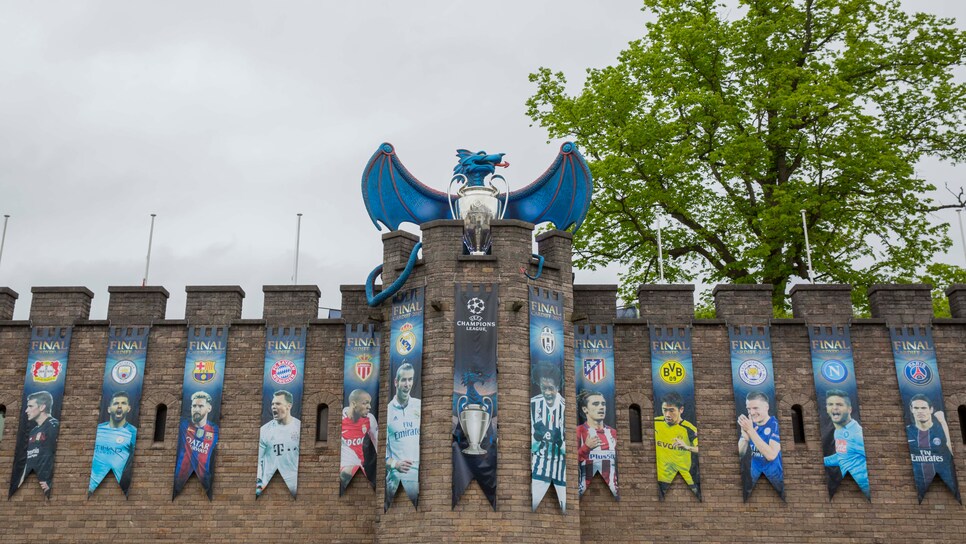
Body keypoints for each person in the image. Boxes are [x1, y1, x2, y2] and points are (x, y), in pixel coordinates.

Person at [905, 393, 958, 499]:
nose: (920, 411)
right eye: (916, 408)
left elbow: (951, 450)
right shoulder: (908, 430)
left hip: (947, 485)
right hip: (919, 486)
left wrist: (943, 422)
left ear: (931, 409)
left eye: (923, 408)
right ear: (911, 409)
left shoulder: (941, 429)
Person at [530, 363, 566, 510]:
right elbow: (532, 448)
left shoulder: (565, 407)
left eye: (551, 388)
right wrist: (538, 439)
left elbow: (569, 450)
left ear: (558, 387)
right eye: (543, 388)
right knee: (533, 505)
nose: (547, 392)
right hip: (539, 466)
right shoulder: (533, 404)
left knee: (564, 509)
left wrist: (559, 442)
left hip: (561, 467)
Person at [89, 391, 137, 495]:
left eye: (123, 403)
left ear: (128, 408)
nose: (119, 406)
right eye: (116, 403)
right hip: (89, 488)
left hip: (116, 489)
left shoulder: (132, 433)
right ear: (109, 409)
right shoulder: (99, 429)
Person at [822, 389, 869, 496]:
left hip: (865, 488)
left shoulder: (857, 434)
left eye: (839, 404)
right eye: (830, 404)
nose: (834, 407)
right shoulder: (839, 431)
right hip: (852, 488)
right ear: (827, 409)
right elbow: (842, 457)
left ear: (849, 409)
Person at [654, 392, 700, 499]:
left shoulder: (689, 429)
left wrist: (687, 447)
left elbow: (700, 449)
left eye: (671, 410)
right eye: (665, 410)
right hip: (658, 479)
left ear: (681, 410)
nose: (667, 415)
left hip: (683, 480)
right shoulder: (655, 422)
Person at [386, 363, 421, 503]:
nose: (407, 384)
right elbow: (379, 452)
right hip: (396, 483)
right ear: (396, 382)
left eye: (410, 379)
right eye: (404, 380)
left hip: (419, 481)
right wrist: (395, 464)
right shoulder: (388, 412)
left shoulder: (419, 405)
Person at [173, 391, 219, 496]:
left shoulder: (215, 430)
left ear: (209, 408)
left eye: (200, 406)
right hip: (179, 478)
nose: (196, 409)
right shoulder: (183, 425)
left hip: (205, 479)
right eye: (194, 406)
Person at [256, 390, 301, 497]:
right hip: (268, 484)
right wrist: (259, 481)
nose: (273, 407)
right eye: (272, 404)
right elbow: (258, 459)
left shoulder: (299, 427)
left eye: (278, 404)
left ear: (288, 406)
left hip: (294, 483)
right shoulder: (264, 430)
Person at [737, 391, 783, 496]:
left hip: (776, 480)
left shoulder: (775, 425)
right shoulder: (750, 425)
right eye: (749, 409)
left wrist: (751, 432)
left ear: (766, 407)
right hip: (754, 478)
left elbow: (771, 455)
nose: (751, 413)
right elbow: (740, 453)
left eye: (755, 408)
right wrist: (744, 437)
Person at [576, 390, 618, 498]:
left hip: (613, 491)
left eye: (603, 404)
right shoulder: (578, 432)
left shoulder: (613, 433)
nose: (601, 407)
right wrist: (586, 447)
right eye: (595, 404)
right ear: (585, 409)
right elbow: (568, 461)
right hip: (583, 492)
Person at [18, 390, 59, 498]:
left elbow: (58, 455)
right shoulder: (33, 431)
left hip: (46, 487)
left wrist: (50, 483)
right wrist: (21, 482)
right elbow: (29, 460)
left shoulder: (53, 426)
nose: (26, 410)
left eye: (30, 406)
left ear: (42, 407)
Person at [341, 388, 378, 489]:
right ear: (354, 404)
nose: (369, 407)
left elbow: (378, 444)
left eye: (369, 403)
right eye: (365, 403)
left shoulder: (369, 419)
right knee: (345, 473)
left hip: (359, 465)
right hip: (344, 466)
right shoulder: (340, 418)